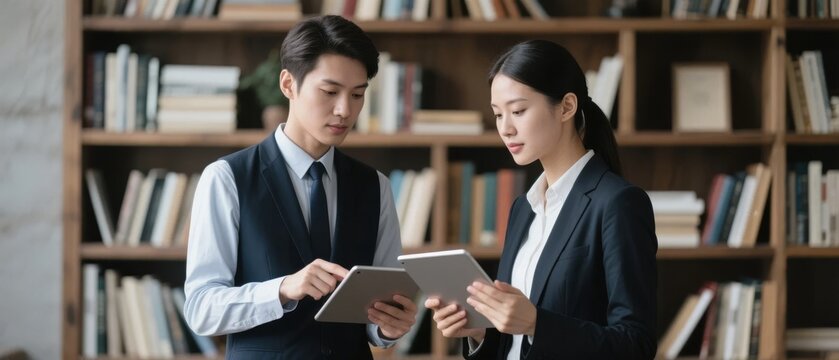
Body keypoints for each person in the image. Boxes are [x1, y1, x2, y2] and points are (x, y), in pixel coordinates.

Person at [183, 15, 417, 359]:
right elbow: (201, 308)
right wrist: (282, 288)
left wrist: (386, 328)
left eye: (357, 95)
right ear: (288, 84)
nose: (345, 110)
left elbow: (379, 310)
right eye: (330, 92)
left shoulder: (375, 186)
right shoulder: (226, 178)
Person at [425, 40, 658, 359]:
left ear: (566, 107)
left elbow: (636, 344)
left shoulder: (618, 203)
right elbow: (514, 343)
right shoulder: (524, 208)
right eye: (498, 115)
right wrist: (479, 332)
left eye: (518, 111)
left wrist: (536, 323)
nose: (505, 129)